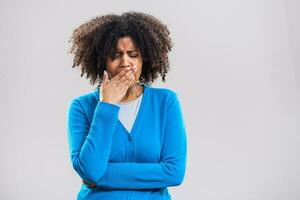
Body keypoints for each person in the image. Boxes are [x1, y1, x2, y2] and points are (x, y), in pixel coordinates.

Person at [67, 11, 187, 200]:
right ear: (103, 62)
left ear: (143, 60)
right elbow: (90, 170)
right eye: (116, 55)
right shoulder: (82, 107)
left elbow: (174, 172)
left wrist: (101, 177)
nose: (126, 62)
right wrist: (107, 105)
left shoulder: (165, 102)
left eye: (133, 55)